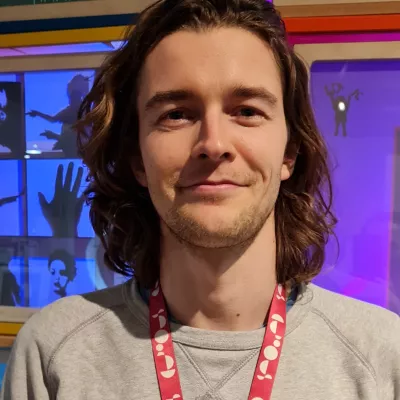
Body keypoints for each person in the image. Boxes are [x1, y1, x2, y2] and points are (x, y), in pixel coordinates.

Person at [2, 1, 399, 399]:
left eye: (246, 110)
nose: (213, 143)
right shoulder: (55, 353)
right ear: (137, 157)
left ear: (289, 152)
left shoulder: (381, 357)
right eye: (176, 114)